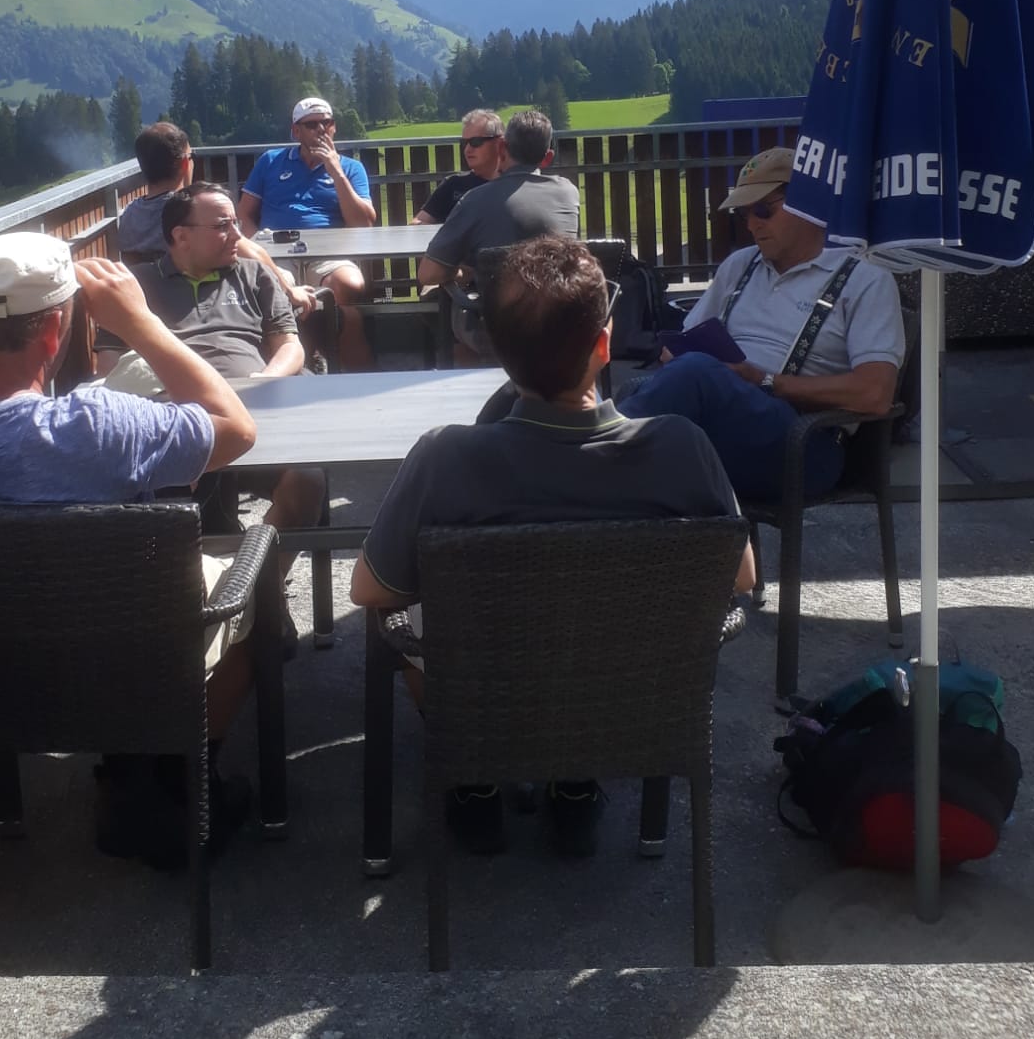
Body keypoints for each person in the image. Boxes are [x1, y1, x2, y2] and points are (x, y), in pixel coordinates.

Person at [0, 230, 260, 868]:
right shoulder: (97, 426)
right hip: (124, 664)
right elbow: (237, 428)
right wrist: (142, 323)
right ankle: (182, 780)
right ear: (54, 329)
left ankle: (132, 779)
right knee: (251, 590)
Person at [350, 235, 748, 858]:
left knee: (406, 616)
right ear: (604, 344)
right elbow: (741, 575)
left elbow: (372, 590)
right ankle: (576, 782)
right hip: (625, 689)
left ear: (495, 351)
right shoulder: (681, 446)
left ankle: (475, 776)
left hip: (489, 684)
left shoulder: (446, 456)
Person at [617, 147, 906, 501]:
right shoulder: (740, 265)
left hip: (806, 445)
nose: (752, 225)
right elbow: (684, 342)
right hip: (731, 427)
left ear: (807, 204)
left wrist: (764, 381)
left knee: (688, 379)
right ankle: (618, 508)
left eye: (763, 210)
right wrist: (673, 356)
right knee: (640, 393)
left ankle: (584, 464)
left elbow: (875, 395)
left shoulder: (865, 280)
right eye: (744, 215)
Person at [110, 182, 326, 545]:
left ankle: (259, 587)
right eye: (223, 226)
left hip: (255, 413)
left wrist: (264, 379)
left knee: (308, 481)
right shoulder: (137, 285)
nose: (237, 236)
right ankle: (193, 580)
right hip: (171, 421)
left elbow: (290, 344)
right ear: (181, 236)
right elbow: (110, 366)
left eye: (236, 224)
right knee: (155, 500)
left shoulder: (254, 274)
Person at [417, 107, 581, 361]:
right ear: (546, 158)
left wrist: (466, 271)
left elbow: (428, 274)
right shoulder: (568, 193)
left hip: (498, 330)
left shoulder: (475, 199)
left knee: (459, 313)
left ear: (502, 147)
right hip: (560, 323)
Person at [239, 95, 376, 370]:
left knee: (350, 286)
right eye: (312, 124)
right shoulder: (270, 161)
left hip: (330, 251)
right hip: (277, 252)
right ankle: (298, 365)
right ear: (296, 131)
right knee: (277, 290)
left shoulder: (351, 168)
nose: (321, 130)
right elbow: (243, 214)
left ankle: (350, 374)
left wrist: (336, 172)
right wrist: (258, 247)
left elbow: (363, 223)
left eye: (327, 123)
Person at [118, 120, 313, 313]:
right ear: (185, 163)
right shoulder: (193, 211)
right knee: (283, 278)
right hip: (205, 304)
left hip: (148, 304)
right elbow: (254, 255)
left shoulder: (128, 215)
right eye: (192, 155)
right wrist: (290, 292)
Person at [412, 110, 508, 224]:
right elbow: (418, 222)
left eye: (475, 142)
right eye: (464, 143)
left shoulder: (516, 184)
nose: (467, 149)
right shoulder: (453, 185)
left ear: (499, 143)